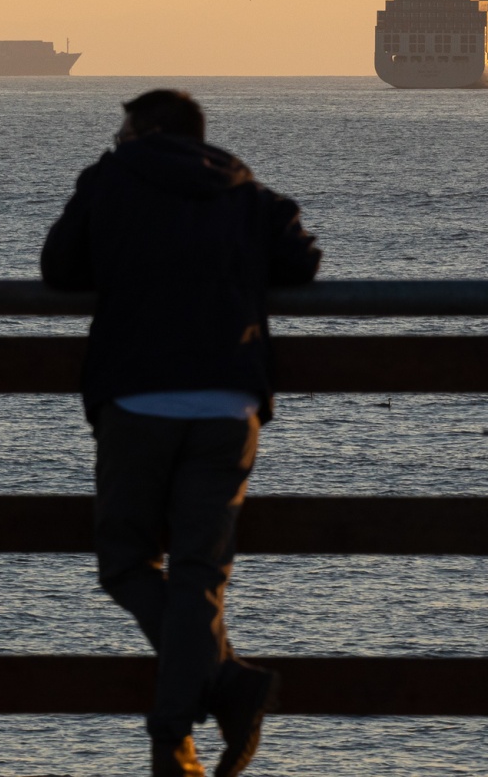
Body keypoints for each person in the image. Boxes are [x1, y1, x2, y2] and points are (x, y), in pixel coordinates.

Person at [40, 89, 320, 777]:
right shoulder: (243, 188)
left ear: (144, 130)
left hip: (137, 399)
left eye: (122, 127)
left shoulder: (112, 179)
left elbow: (58, 269)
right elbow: (302, 262)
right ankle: (185, 725)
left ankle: (213, 698)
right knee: (198, 576)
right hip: (227, 405)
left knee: (127, 564)